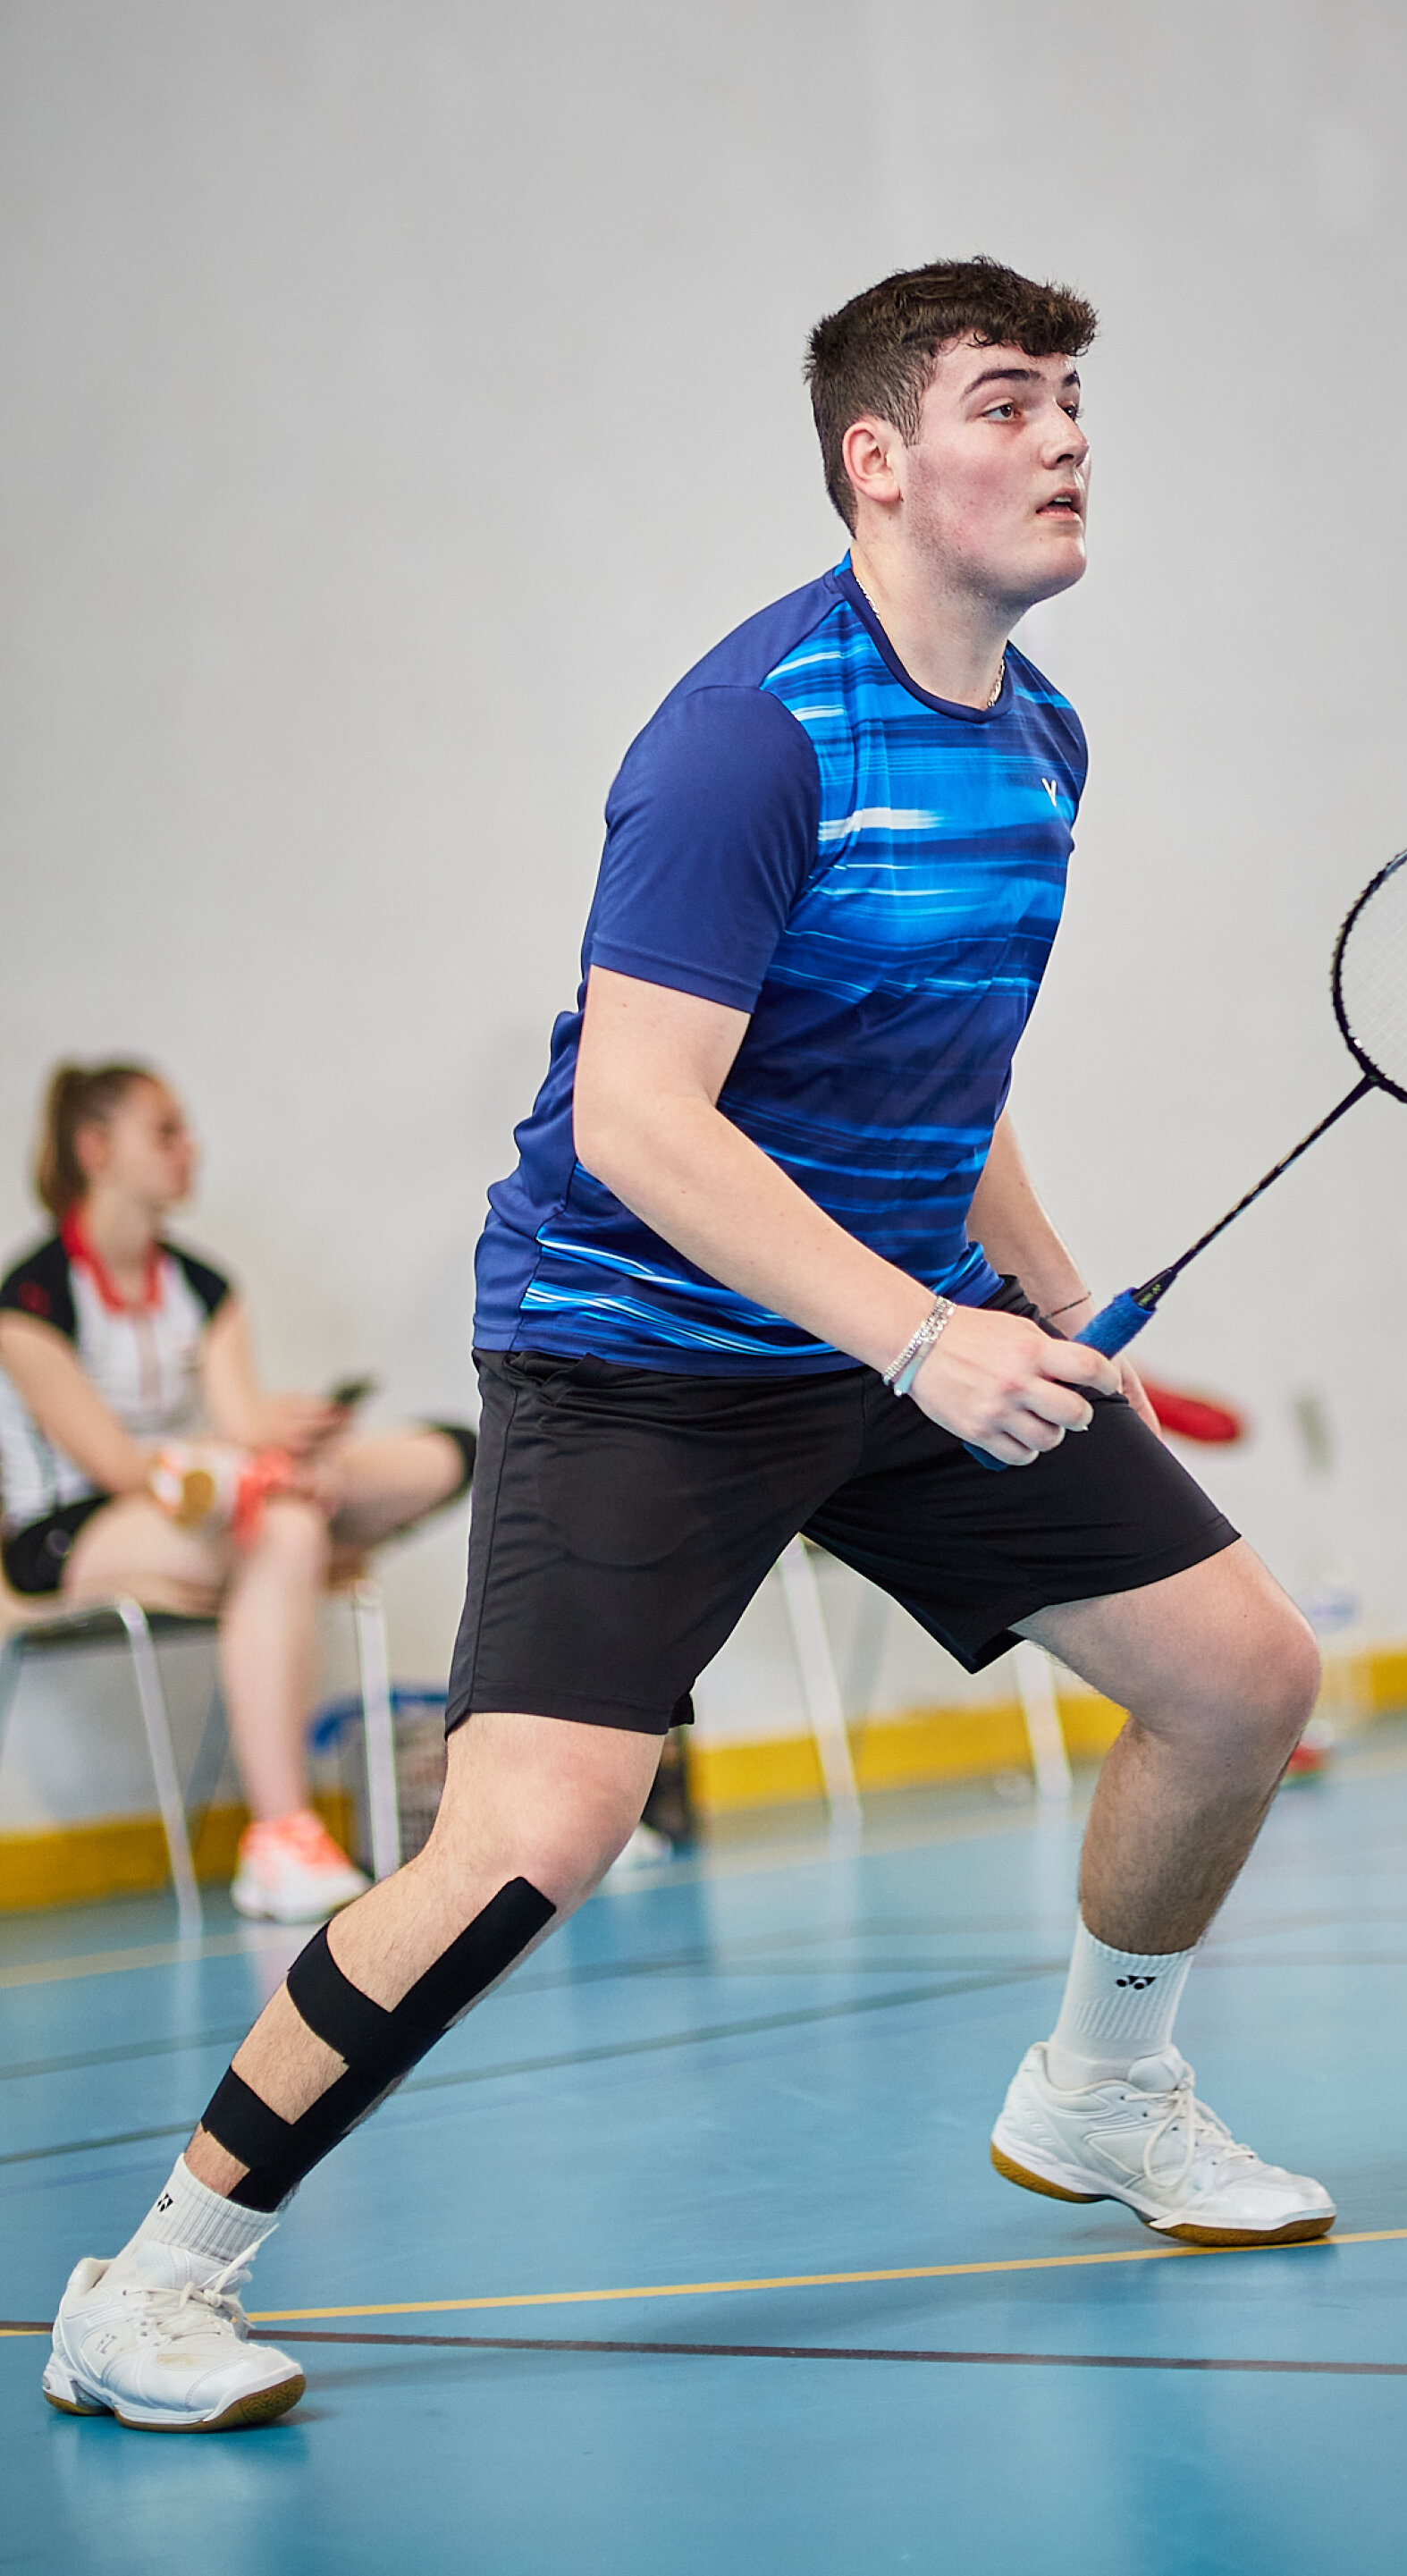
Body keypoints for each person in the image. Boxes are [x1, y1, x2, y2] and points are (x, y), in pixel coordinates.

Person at [42, 258, 1331, 2436]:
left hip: (890, 1324)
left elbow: (944, 1062)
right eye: (1007, 401)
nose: (1064, 436)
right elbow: (642, 1120)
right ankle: (151, 2278)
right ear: (877, 460)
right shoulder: (750, 737)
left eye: (1072, 397)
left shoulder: (1039, 740)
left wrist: (1038, 1297)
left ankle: (1103, 2090)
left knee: (1241, 1677)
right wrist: (924, 1340)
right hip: (637, 1346)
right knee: (536, 1829)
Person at [0, 1062, 475, 1923]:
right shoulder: (29, 1300)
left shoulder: (202, 1286)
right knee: (284, 1528)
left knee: (440, 1456)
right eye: (166, 1131)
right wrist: (250, 1465)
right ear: (96, 1149)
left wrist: (289, 1438)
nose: (191, 1148)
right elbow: (115, 1465)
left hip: (207, 1504)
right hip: (74, 1530)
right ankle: (281, 1838)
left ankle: (308, 1519)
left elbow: (241, 1418)